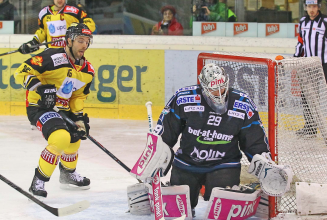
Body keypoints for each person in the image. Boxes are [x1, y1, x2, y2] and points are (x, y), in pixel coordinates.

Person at [152, 63, 271, 215]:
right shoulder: (184, 98)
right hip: (187, 163)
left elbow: (254, 140)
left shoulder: (242, 103)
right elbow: (165, 133)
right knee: (177, 213)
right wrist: (154, 158)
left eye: (222, 88)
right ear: (203, 87)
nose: (219, 93)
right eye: (214, 90)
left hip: (224, 165)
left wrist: (265, 162)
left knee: (223, 214)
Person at [14, 23, 94, 198]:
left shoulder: (88, 71)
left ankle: (67, 174)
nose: (84, 45)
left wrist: (78, 117)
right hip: (40, 107)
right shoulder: (52, 56)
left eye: (87, 41)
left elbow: (78, 96)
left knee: (75, 138)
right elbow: (21, 72)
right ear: (69, 41)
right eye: (80, 40)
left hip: (63, 110)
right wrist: (41, 88)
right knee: (61, 138)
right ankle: (38, 181)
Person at [294, 0, 325, 138]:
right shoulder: (303, 22)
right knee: (307, 96)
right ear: (305, 7)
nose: (311, 9)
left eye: (314, 6)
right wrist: (295, 59)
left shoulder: (325, 21)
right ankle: (310, 128)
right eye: (309, 6)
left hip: (324, 64)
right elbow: (300, 42)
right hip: (307, 64)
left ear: (319, 7)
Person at [18, 0, 96, 54]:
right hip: (51, 53)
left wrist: (78, 30)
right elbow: (43, 31)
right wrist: (34, 42)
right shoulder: (44, 13)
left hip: (69, 53)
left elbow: (90, 25)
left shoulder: (75, 11)